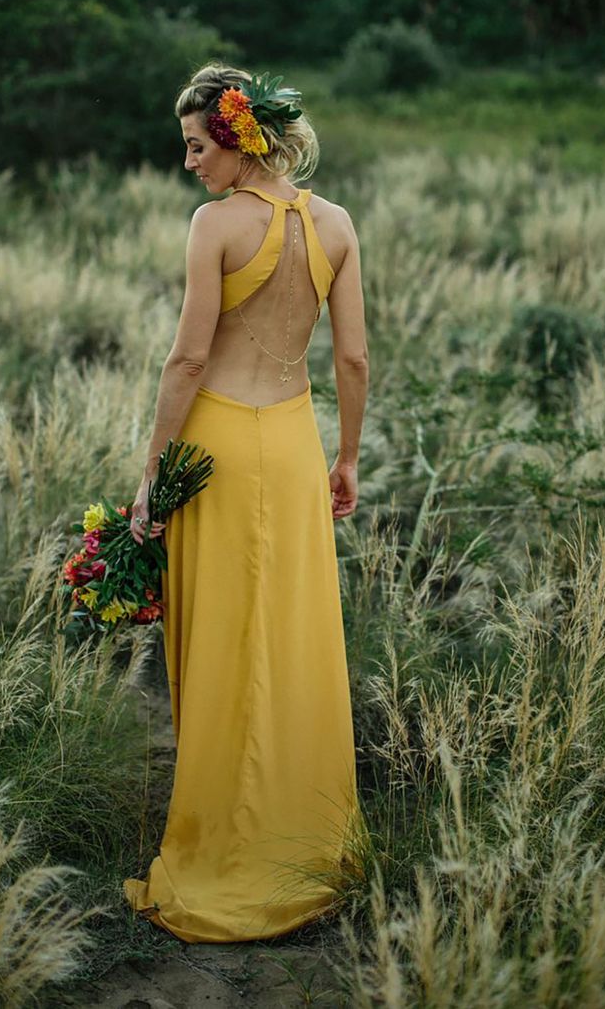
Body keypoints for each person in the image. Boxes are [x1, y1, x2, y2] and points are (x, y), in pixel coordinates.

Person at [122, 62, 370, 943]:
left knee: (225, 639)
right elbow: (353, 362)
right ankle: (301, 837)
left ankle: (228, 843)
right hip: (296, 442)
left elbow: (187, 361)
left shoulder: (215, 224)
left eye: (196, 147)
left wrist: (152, 474)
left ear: (236, 139)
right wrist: (345, 458)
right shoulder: (335, 223)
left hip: (220, 445)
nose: (189, 164)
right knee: (295, 636)